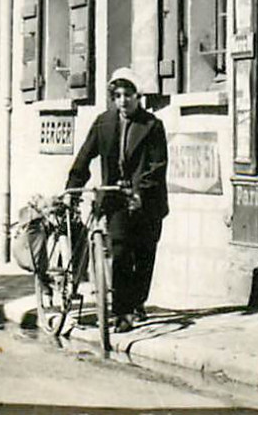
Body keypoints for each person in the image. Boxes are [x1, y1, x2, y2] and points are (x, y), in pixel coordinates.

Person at [66, 68, 168, 333]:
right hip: (115, 199)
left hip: (147, 200)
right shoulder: (104, 122)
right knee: (121, 252)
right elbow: (85, 156)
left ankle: (137, 303)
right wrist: (72, 187)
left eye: (128, 95)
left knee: (144, 254)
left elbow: (157, 166)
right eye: (118, 96)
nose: (123, 101)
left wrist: (140, 192)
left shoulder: (152, 126)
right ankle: (122, 312)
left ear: (138, 96)